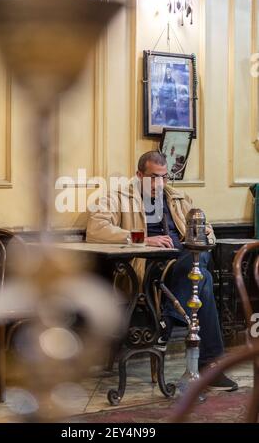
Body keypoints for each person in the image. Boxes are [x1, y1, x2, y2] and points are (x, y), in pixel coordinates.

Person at [86, 151, 238, 391]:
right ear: (139, 175)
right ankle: (210, 365)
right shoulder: (119, 196)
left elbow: (207, 229)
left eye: (165, 177)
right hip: (149, 267)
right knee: (203, 277)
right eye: (154, 177)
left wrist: (203, 236)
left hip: (184, 263)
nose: (160, 183)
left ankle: (167, 319)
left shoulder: (178, 197)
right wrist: (143, 239)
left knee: (199, 265)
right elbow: (96, 229)